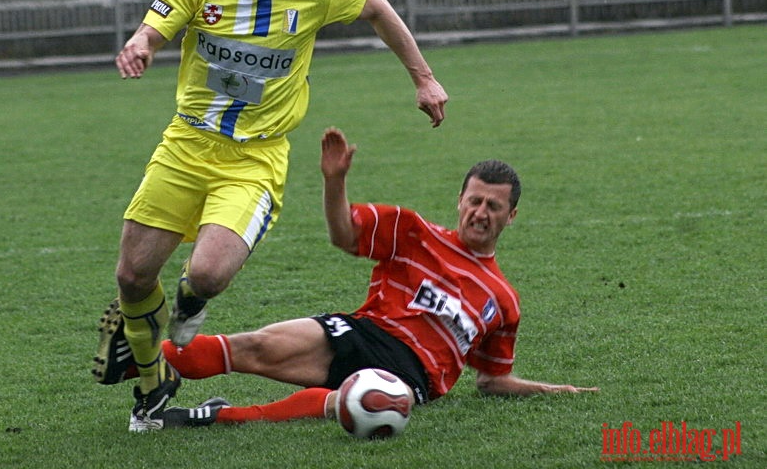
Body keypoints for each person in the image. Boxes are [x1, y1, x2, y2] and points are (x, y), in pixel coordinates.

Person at [94, 0, 449, 432]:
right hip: (186, 145)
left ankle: (186, 307)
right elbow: (154, 27)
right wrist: (141, 45)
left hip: (255, 157)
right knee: (132, 275)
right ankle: (152, 386)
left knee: (208, 275)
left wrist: (423, 77)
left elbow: (375, 4)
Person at [93, 128, 598, 429]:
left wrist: (557, 390)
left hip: (411, 375)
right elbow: (344, 235)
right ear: (460, 200)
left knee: (356, 402)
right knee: (253, 346)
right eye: (475, 200)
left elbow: (492, 380)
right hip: (362, 332)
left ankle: (210, 417)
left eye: (494, 206)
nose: (480, 212)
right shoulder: (413, 230)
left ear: (511, 217)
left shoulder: (504, 300)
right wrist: (335, 182)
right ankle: (141, 360)